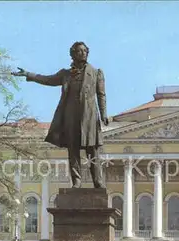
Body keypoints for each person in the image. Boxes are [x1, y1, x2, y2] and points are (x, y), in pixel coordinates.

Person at [12, 42, 110, 189]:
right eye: (79, 51)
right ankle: (76, 181)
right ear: (73, 54)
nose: (83, 53)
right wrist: (29, 74)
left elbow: (101, 95)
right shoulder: (66, 74)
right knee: (73, 150)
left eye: (85, 51)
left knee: (92, 150)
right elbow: (47, 79)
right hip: (70, 116)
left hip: (89, 117)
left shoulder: (96, 73)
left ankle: (98, 181)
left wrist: (103, 114)